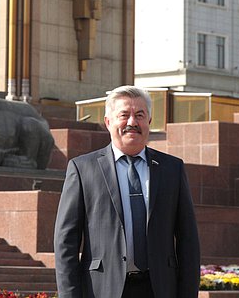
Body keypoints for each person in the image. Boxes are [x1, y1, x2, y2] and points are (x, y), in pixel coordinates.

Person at [54, 86, 200, 298]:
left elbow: (188, 241)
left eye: (140, 115)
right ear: (108, 122)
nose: (132, 122)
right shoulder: (83, 169)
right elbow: (65, 242)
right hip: (102, 289)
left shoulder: (172, 169)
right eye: (124, 115)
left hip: (160, 289)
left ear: (149, 122)